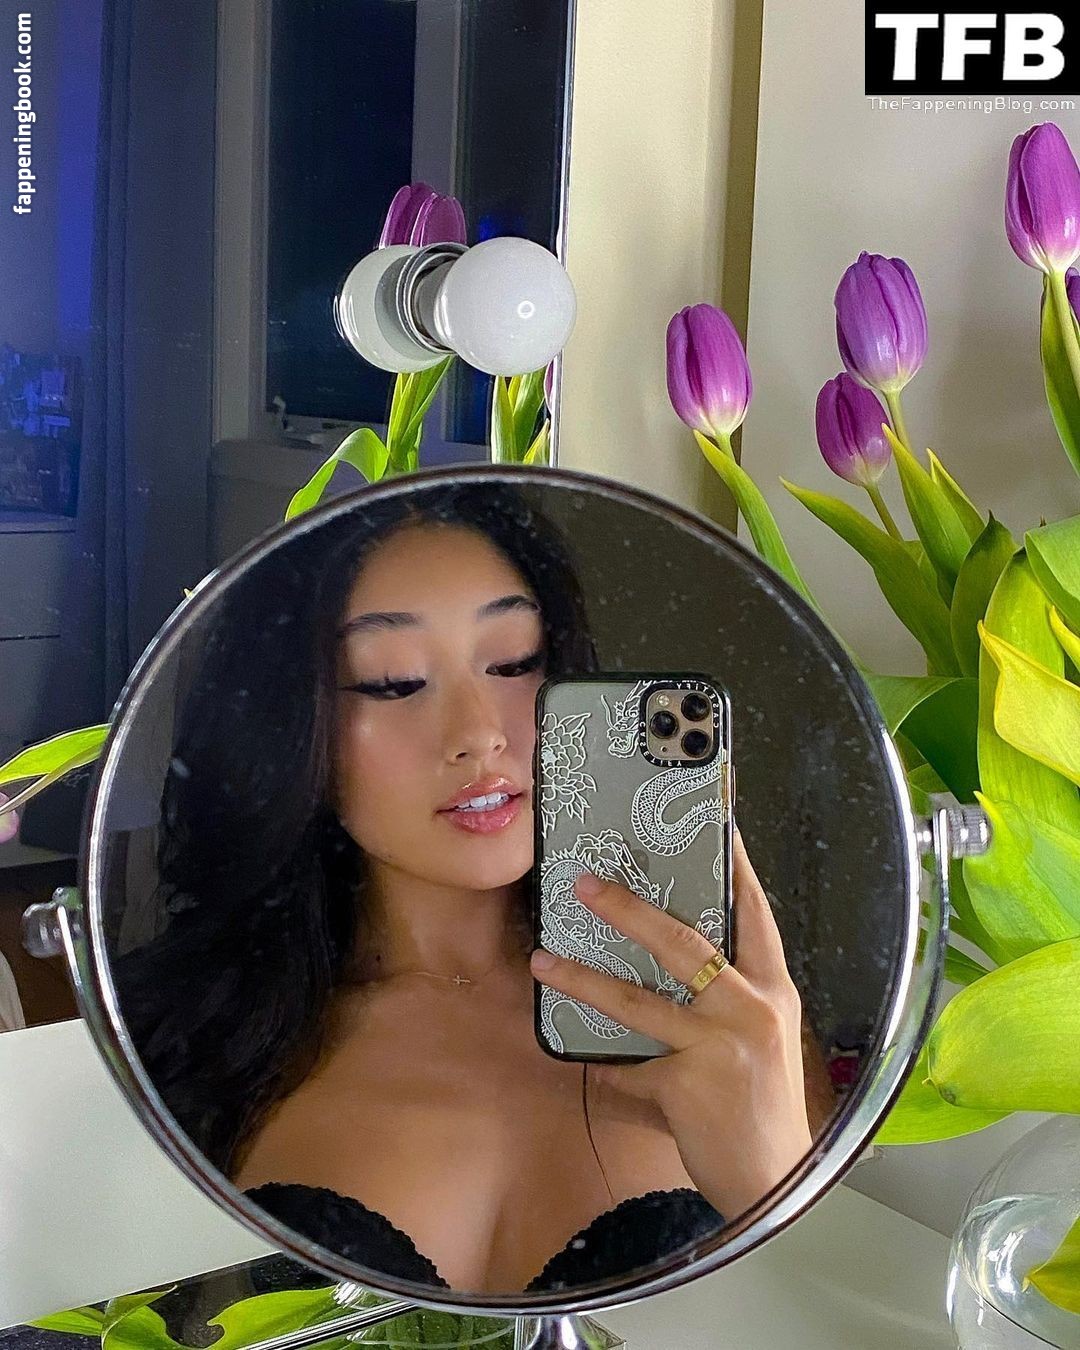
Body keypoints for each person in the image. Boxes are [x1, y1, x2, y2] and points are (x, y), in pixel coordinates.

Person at [115, 481, 834, 1296]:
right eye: (393, 681)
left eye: (514, 662)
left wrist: (773, 1183)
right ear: (289, 725)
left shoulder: (726, 1025)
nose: (479, 734)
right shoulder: (176, 1040)